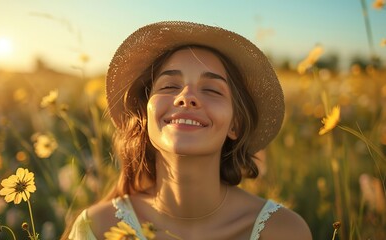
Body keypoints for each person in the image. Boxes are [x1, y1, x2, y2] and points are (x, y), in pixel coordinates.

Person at [62, 21, 312, 240]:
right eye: (169, 85)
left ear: (235, 125)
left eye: (212, 90)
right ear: (145, 116)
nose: (186, 97)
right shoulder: (97, 228)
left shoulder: (285, 231)